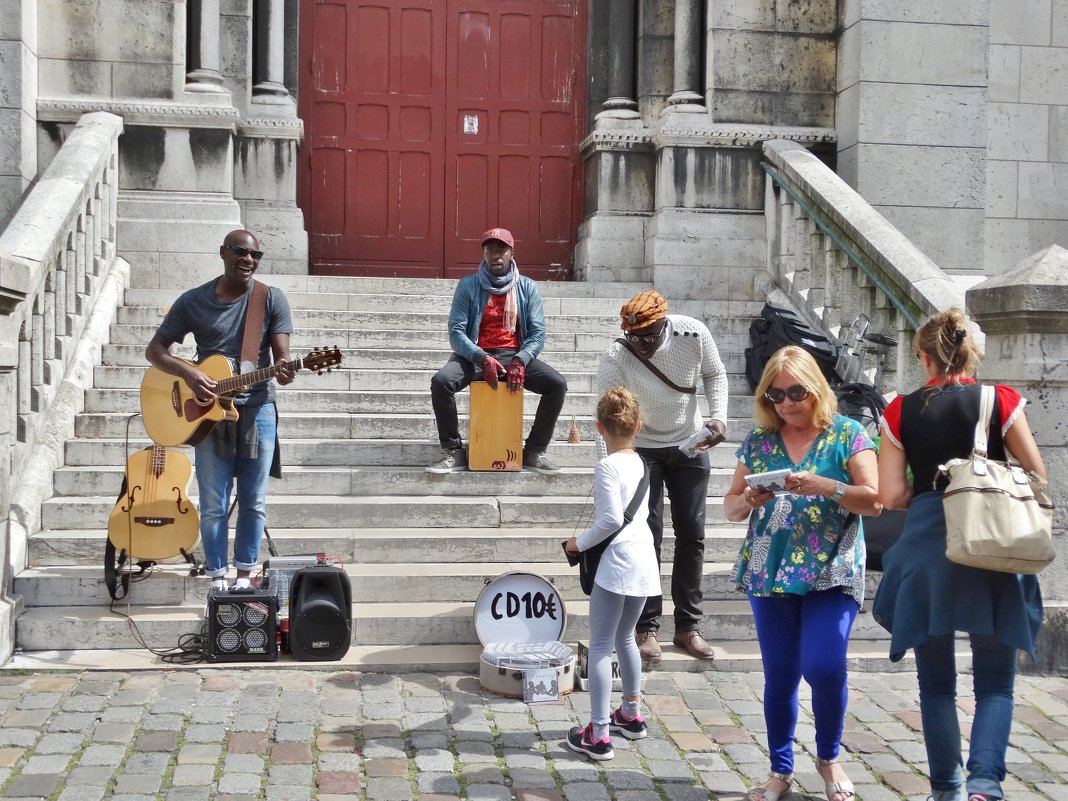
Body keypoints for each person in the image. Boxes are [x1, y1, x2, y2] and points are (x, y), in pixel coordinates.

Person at [872, 309, 1046, 801]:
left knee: (936, 685)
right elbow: (1037, 474)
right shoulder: (1000, 399)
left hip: (931, 549)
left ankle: (945, 791)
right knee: (995, 682)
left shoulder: (899, 411)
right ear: (970, 354)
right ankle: (985, 786)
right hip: (996, 544)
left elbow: (892, 496)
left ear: (923, 357)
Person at [724, 345, 880, 801]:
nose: (787, 403)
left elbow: (873, 499)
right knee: (780, 673)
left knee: (825, 666)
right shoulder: (759, 441)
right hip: (769, 570)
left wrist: (826, 486)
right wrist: (751, 500)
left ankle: (829, 759)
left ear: (816, 388)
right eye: (776, 395)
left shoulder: (847, 433)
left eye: (796, 391)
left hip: (833, 569)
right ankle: (780, 769)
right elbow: (731, 506)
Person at [145, 229, 295, 589]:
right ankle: (216, 575)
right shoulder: (193, 301)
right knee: (213, 501)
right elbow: (155, 351)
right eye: (241, 252)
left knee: (253, 500)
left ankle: (244, 576)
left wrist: (288, 367)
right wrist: (190, 374)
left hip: (257, 408)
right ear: (224, 252)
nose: (248, 260)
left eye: (255, 256)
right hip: (207, 414)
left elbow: (282, 359)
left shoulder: (270, 299)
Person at [596, 290, 727, 660]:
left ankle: (688, 627)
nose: (642, 346)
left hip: (690, 443)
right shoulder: (617, 355)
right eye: (634, 338)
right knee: (645, 535)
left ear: (665, 325)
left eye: (650, 338)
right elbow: (605, 418)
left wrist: (719, 417)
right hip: (643, 448)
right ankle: (646, 627)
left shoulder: (693, 334)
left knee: (692, 534)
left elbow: (715, 374)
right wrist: (608, 470)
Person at [564, 387, 659, 761]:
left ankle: (599, 733)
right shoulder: (642, 464)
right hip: (644, 560)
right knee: (627, 639)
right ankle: (631, 715)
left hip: (617, 562)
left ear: (599, 428)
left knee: (602, 645)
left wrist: (578, 544)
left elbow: (609, 520)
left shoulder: (606, 465)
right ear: (638, 425)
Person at [427, 227, 567, 474]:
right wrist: (482, 357)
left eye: (501, 249)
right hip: (475, 355)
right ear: (483, 253)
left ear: (512, 252)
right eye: (489, 249)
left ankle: (534, 450)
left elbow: (537, 333)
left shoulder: (527, 288)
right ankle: (453, 450)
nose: (495, 255)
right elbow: (456, 332)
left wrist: (521, 360)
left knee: (556, 384)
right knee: (441, 382)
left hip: (513, 354)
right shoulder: (468, 286)